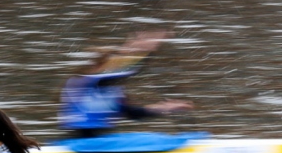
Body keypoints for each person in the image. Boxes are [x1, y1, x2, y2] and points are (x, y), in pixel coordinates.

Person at [59, 30, 194, 138]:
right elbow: (126, 69)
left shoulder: (106, 89)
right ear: (98, 66)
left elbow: (133, 113)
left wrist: (165, 108)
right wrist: (141, 49)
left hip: (94, 143)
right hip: (83, 144)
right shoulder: (85, 82)